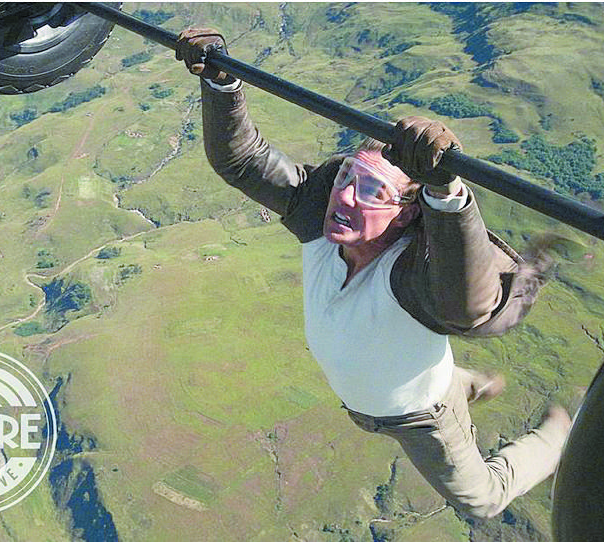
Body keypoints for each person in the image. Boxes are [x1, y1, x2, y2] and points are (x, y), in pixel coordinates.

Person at [176, 28, 572, 521]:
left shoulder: (410, 278)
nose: (344, 197)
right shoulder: (319, 225)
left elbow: (468, 303)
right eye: (346, 177)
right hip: (378, 395)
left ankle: (558, 436)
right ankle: (472, 383)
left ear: (407, 214)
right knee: (439, 378)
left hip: (421, 417)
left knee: (483, 500)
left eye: (370, 191)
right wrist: (220, 81)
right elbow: (243, 161)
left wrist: (446, 194)